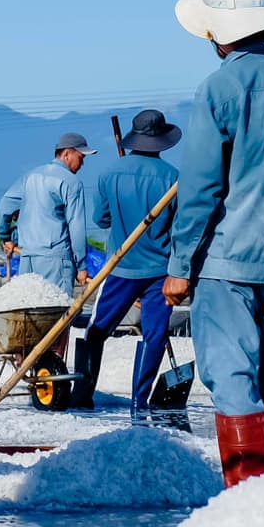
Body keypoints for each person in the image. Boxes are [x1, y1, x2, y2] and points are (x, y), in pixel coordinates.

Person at [163, 0, 264, 487]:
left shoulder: (217, 89)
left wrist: (180, 265)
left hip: (228, 260)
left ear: (217, 31)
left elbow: (202, 188)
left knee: (233, 381)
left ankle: (247, 501)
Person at [75, 109, 180, 415]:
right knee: (154, 335)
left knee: (97, 331)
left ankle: (83, 392)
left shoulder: (111, 173)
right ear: (161, 141)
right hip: (161, 270)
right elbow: (181, 226)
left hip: (120, 267)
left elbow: (101, 218)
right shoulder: (173, 178)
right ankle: (139, 401)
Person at [0, 132, 94, 297]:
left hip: (27, 259)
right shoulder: (71, 182)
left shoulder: (30, 176)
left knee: (29, 311)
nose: (82, 163)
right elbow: (76, 228)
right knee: (56, 312)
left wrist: (5, 237)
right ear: (67, 154)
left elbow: (5, 206)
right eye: (81, 157)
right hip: (56, 261)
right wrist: (82, 266)